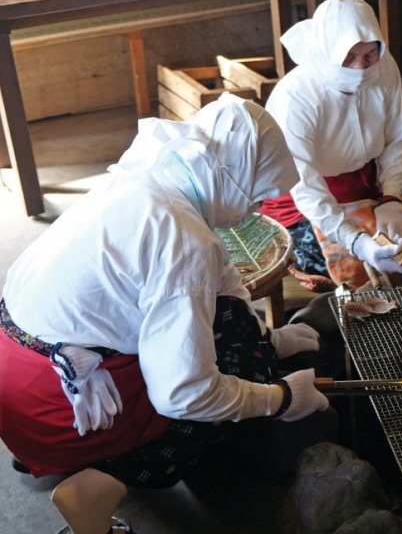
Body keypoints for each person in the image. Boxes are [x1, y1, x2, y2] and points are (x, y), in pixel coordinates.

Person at [0, 94, 331, 496]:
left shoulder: (153, 178)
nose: (252, 209)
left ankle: (68, 454)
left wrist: (271, 340)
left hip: (16, 381)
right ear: (235, 176)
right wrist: (277, 399)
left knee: (229, 324)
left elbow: (221, 288)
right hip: (57, 407)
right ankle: (104, 479)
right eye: (256, 196)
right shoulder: (181, 238)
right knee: (220, 400)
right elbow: (184, 395)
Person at [259, 0, 402, 290]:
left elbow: (397, 137)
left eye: (370, 55)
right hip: (301, 198)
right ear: (327, 51)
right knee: (356, 271)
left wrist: (392, 200)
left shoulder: (384, 68)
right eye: (348, 57)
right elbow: (302, 182)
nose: (361, 68)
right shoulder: (297, 96)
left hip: (362, 185)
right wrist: (354, 240)